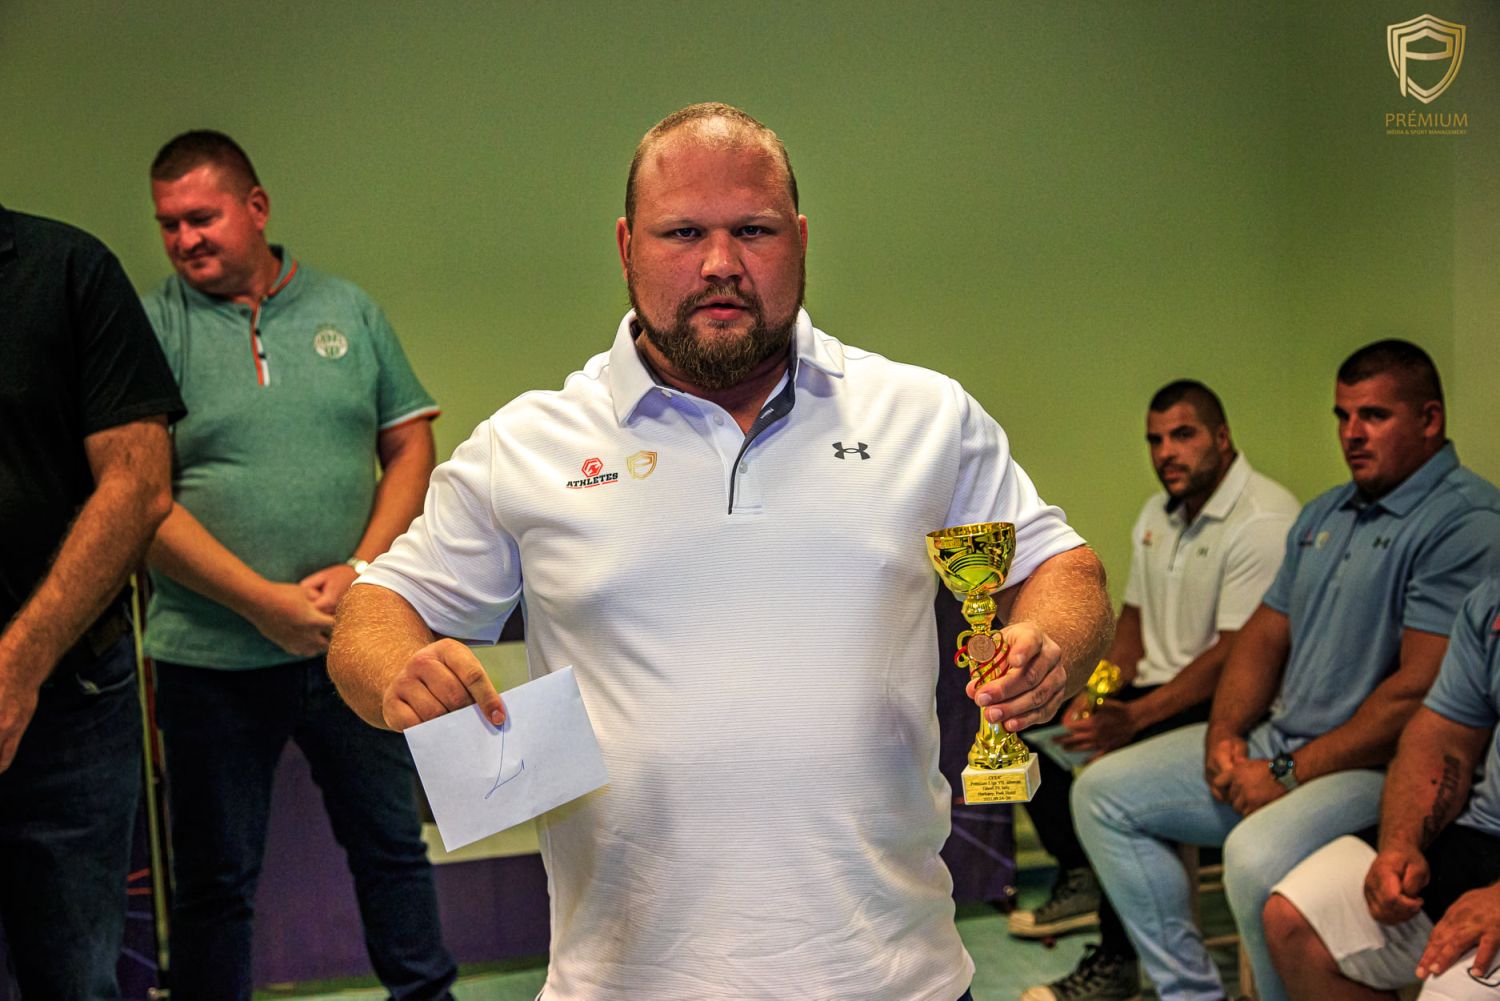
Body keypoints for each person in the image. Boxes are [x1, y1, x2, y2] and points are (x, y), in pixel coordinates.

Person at [327, 103, 1114, 1001]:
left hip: (899, 980)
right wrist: (397, 675)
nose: (720, 263)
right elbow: (372, 609)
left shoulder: (924, 415)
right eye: (682, 233)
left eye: (754, 230)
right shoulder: (529, 444)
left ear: (801, 241)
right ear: (626, 246)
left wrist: (1049, 643)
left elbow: (1065, 569)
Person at [1070, 340, 1500, 1001]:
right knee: (1100, 792)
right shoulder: (1327, 510)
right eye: (1343, 416)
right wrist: (1224, 734)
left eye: (1374, 416)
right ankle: (1191, 993)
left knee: (1253, 856)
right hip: (1279, 742)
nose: (1352, 434)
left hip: (1370, 767)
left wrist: (1287, 772)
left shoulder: (1465, 521)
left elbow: (1416, 693)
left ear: (1429, 419)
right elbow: (1264, 634)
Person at [140, 131, 455, 1001]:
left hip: (352, 639)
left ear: (256, 207)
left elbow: (410, 444)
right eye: (168, 224)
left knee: (392, 849)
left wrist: (361, 566)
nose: (184, 239)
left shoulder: (348, 310)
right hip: (208, 658)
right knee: (214, 881)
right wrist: (261, 602)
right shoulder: (151, 328)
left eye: (201, 217)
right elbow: (141, 499)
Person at [1016, 381, 1298, 1000]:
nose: (1166, 452)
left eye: (1183, 435)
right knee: (1032, 723)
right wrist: (1096, 693)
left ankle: (1117, 961)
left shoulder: (1264, 520)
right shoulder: (1157, 514)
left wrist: (1134, 719)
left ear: (1222, 438)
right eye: (1155, 439)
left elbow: (1235, 656)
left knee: (1106, 767)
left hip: (1230, 703)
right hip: (1158, 689)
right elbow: (1134, 628)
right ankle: (1084, 873)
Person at [0, 203, 183, 999]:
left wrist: (16, 665)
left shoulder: (67, 269)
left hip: (67, 696)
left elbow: (138, 484)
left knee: (74, 976)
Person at [1264, 576, 1500, 1001]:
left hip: (1325, 764)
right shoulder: (1490, 600)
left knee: (1450, 992)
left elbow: (1404, 698)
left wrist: (1285, 773)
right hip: (1483, 828)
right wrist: (1401, 842)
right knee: (1293, 919)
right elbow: (1443, 734)